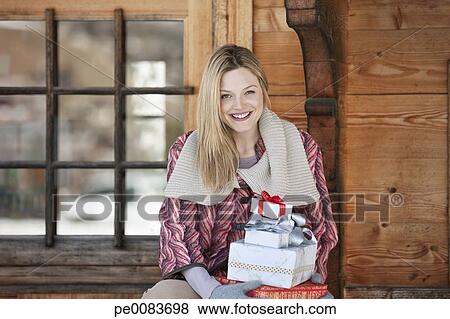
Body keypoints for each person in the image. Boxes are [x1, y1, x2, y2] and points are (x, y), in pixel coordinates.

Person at [141, 44, 338, 299]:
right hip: (204, 282)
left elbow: (317, 221)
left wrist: (305, 271)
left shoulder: (300, 146)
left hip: (278, 281)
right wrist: (214, 292)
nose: (239, 105)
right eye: (226, 96)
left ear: (263, 92)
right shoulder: (187, 149)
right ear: (213, 99)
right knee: (162, 301)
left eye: (249, 92)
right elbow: (179, 230)